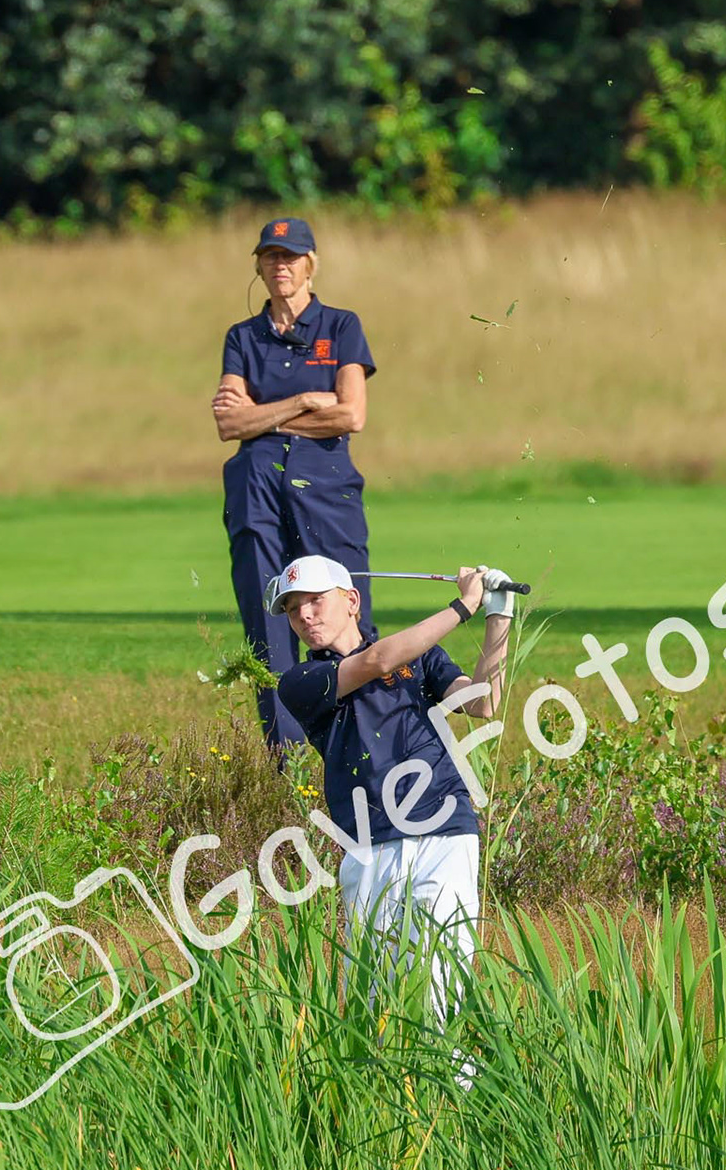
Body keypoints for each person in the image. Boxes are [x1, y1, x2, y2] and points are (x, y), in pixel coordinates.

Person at [266, 554, 515, 1023]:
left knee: (444, 980)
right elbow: (378, 659)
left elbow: (483, 702)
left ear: (352, 601)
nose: (304, 616)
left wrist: (497, 613)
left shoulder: (418, 655)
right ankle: (386, 1093)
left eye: (315, 601)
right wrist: (464, 606)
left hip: (445, 828)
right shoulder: (299, 681)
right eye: (294, 608)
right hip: (370, 843)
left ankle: (453, 1091)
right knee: (377, 992)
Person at [213, 217, 377, 750]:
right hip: (255, 486)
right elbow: (229, 425)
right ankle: (290, 767)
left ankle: (362, 748)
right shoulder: (242, 337)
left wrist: (263, 416)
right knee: (270, 625)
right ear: (259, 265)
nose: (280, 266)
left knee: (342, 614)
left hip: (325, 486)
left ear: (310, 264)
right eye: (270, 256)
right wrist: (306, 401)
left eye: (291, 256)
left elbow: (351, 415)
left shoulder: (340, 326)